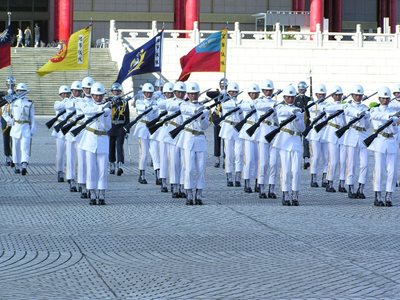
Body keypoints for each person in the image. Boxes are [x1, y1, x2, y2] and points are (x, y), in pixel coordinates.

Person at [176, 82, 210, 205]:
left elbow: (205, 126)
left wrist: (202, 117)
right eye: (190, 94)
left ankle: (199, 194)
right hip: (188, 139)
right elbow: (188, 110)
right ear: (188, 94)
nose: (193, 96)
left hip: (200, 139)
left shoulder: (203, 109)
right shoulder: (184, 105)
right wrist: (199, 110)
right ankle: (189, 193)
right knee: (189, 168)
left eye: (195, 94)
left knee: (201, 168)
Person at [79, 82, 112, 205]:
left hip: (102, 139)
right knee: (91, 168)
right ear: (91, 95)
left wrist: (106, 114)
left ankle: (102, 193)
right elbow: (87, 111)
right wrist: (101, 108)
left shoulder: (106, 109)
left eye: (100, 95)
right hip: (90, 139)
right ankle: (92, 192)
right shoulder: (86, 104)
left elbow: (108, 127)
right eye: (95, 95)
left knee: (103, 169)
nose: (98, 98)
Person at [272, 85, 305, 206]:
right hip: (284, 141)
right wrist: (293, 112)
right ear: (284, 97)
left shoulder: (298, 111)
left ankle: (295, 194)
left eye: (292, 97)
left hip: (295, 141)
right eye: (287, 97)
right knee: (285, 170)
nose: (290, 99)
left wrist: (297, 119)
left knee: (296, 171)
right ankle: (285, 193)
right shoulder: (280, 107)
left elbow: (302, 128)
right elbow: (281, 112)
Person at [368, 86, 398, 207]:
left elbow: (395, 131)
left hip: (391, 141)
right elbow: (376, 116)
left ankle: (389, 195)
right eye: (383, 98)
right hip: (379, 141)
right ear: (379, 98)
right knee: (379, 170)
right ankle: (378, 194)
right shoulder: (375, 110)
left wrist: (394, 122)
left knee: (392, 171)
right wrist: (389, 118)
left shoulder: (393, 111)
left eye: (387, 98)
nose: (385, 100)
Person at [343, 84, 370, 199]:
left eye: (360, 95)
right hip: (352, 135)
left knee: (365, 164)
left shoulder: (365, 107)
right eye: (356, 95)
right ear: (352, 95)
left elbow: (368, 125)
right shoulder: (348, 107)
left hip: (363, 136)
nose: (358, 97)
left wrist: (366, 116)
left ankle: (361, 188)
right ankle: (350, 187)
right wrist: (359, 114)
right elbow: (350, 112)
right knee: (351, 164)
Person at [254, 79, 279, 198]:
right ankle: (261, 187)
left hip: (274, 133)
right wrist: (272, 105)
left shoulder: (276, 102)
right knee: (263, 163)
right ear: (262, 91)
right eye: (266, 90)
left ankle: (272, 188)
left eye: (270, 90)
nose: (268, 92)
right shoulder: (259, 101)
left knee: (273, 163)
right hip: (263, 133)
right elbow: (259, 106)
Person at [321, 85, 347, 193]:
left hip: (343, 133)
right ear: (332, 95)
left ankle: (342, 183)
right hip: (332, 134)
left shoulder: (345, 106)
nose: (338, 97)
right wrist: (343, 107)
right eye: (336, 95)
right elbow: (329, 109)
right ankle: (330, 182)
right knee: (334, 161)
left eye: (339, 95)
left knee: (343, 161)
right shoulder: (329, 105)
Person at [133, 83, 160, 184]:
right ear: (143, 93)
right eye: (146, 92)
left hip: (152, 128)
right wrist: (151, 106)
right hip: (143, 128)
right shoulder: (139, 101)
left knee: (155, 153)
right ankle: (142, 175)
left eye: (150, 93)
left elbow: (157, 114)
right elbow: (141, 108)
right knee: (144, 154)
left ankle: (158, 176)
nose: (148, 94)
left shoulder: (156, 102)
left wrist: (155, 106)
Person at [7, 83, 36, 175]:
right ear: (17, 91)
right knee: (15, 147)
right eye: (19, 91)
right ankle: (16, 164)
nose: (20, 92)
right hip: (16, 127)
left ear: (25, 92)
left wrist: (32, 130)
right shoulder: (13, 102)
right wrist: (9, 120)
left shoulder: (30, 103)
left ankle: (24, 164)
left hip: (26, 127)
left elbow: (33, 118)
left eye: (22, 91)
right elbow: (5, 113)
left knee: (25, 147)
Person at [219, 82, 244, 187]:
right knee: (228, 154)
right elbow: (226, 105)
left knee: (239, 154)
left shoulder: (240, 102)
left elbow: (242, 116)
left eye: (235, 91)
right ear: (228, 92)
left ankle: (238, 176)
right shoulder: (226, 102)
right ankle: (229, 176)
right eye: (231, 92)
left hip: (238, 129)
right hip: (228, 129)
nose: (233, 93)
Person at [164, 81, 186, 197]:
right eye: (178, 92)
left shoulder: (187, 103)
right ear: (174, 92)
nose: (181, 94)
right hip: (173, 134)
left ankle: (182, 185)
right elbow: (168, 106)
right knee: (174, 162)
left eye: (183, 92)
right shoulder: (170, 102)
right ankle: (174, 185)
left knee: (183, 162)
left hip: (183, 133)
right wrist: (182, 105)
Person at [305, 84, 329, 188]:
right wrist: (320, 105)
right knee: (316, 156)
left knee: (326, 157)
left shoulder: (327, 104)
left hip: (325, 132)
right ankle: (313, 178)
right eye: (319, 94)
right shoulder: (311, 103)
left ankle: (325, 178)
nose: (321, 96)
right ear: (315, 94)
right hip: (315, 131)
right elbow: (311, 109)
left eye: (323, 94)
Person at [238, 83, 260, 193]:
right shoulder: (245, 102)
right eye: (252, 93)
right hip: (248, 132)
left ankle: (257, 182)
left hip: (259, 132)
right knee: (249, 159)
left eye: (256, 93)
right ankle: (246, 182)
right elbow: (243, 107)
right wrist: (254, 105)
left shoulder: (262, 102)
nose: (254, 95)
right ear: (249, 94)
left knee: (258, 160)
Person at [64, 80, 82, 192]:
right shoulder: (67, 101)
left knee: (80, 158)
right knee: (70, 157)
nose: (76, 92)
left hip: (80, 131)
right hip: (70, 131)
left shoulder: (84, 100)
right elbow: (67, 105)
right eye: (74, 90)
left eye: (78, 91)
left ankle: (81, 180)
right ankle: (71, 178)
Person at [108, 82, 130, 176]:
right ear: (112, 91)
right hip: (111, 126)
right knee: (111, 146)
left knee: (120, 146)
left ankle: (119, 165)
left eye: (118, 91)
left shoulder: (124, 101)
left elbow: (127, 116)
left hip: (121, 127)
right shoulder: (108, 101)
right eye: (114, 91)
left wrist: (127, 130)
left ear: (120, 91)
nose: (116, 92)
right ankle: (112, 164)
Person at [206, 78, 227, 168]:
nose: (223, 87)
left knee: (225, 140)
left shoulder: (229, 95)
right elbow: (208, 94)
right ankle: (217, 158)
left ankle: (226, 160)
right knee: (217, 139)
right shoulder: (217, 94)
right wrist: (219, 93)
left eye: (225, 86)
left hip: (225, 118)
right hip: (217, 117)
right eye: (222, 85)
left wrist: (226, 94)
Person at [52, 85, 71, 182]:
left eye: (67, 93)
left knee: (70, 153)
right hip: (60, 130)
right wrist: (66, 101)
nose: (66, 95)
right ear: (60, 95)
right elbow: (58, 107)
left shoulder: (71, 102)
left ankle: (69, 172)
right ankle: (60, 171)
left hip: (69, 129)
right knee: (60, 154)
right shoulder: (58, 103)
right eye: (63, 94)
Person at [294, 81, 311, 169]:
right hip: (298, 122)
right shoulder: (295, 99)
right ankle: (297, 159)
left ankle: (306, 159)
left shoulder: (309, 99)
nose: (301, 91)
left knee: (306, 141)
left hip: (306, 121)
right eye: (300, 89)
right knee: (297, 141)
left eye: (303, 89)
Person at [1, 76, 16, 167]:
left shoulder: (18, 93)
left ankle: (15, 156)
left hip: (14, 117)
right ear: (6, 84)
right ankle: (7, 156)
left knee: (14, 137)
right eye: (9, 84)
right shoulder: (2, 94)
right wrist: (7, 95)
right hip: (4, 117)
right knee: (6, 137)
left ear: (14, 85)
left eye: (12, 84)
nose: (10, 86)